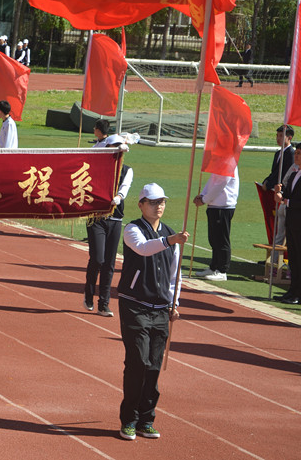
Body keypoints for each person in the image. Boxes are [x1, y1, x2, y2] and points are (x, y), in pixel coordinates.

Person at [117, 183, 188, 441]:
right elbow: (144, 248)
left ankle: (146, 419)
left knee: (154, 366)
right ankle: (129, 419)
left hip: (160, 309)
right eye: (153, 202)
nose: (159, 206)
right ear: (141, 204)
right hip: (134, 305)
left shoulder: (170, 235)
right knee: (138, 361)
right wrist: (170, 241)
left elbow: (174, 275)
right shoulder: (132, 229)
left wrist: (174, 303)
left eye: (162, 202)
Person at [83, 135, 132, 316]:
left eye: (119, 146)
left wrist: (118, 197)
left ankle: (104, 304)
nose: (117, 150)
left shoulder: (127, 170)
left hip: (115, 220)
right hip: (96, 218)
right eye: (114, 146)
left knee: (109, 263)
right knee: (97, 259)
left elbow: (125, 187)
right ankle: (88, 294)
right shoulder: (97, 166)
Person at [193, 167, 239, 282]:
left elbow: (221, 184)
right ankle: (213, 267)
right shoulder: (221, 162)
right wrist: (202, 195)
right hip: (214, 206)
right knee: (214, 239)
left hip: (223, 206)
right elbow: (212, 181)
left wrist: (204, 199)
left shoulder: (229, 163)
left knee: (221, 240)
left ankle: (222, 271)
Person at [263, 125, 295, 264]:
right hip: (277, 196)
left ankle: (283, 261)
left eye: (281, 136)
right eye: (277, 135)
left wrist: (275, 186)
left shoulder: (291, 154)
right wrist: (266, 181)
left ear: (289, 137)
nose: (278, 138)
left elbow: (285, 176)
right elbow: (274, 172)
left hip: (285, 197)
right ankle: (273, 260)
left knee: (287, 233)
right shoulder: (278, 153)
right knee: (278, 230)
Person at [275, 143, 301, 304]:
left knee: (299, 258)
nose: (296, 156)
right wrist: (280, 193)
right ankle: (292, 291)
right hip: (291, 222)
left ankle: (298, 294)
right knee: (293, 258)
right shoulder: (294, 174)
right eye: (296, 153)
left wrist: (286, 200)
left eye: (299, 153)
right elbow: (288, 195)